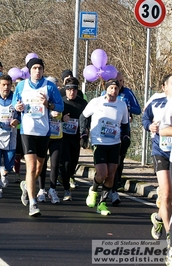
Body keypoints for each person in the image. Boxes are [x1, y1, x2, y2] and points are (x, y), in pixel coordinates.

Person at [12, 57, 64, 217]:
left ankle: (27, 186)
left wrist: (48, 104)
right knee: (32, 166)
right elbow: (15, 104)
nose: (37, 71)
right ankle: (33, 203)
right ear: (29, 70)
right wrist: (17, 107)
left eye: (40, 68)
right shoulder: (21, 86)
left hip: (44, 131)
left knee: (39, 168)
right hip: (27, 130)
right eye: (34, 68)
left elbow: (60, 105)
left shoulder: (50, 86)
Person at [80, 79, 129, 216]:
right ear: (106, 89)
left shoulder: (122, 105)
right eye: (111, 88)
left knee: (111, 175)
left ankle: (102, 203)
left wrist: (126, 137)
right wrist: (83, 134)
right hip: (99, 142)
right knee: (102, 174)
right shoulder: (96, 102)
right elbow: (83, 117)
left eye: (116, 88)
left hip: (115, 143)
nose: (113, 91)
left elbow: (125, 124)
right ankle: (93, 190)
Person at [143, 74, 171, 244]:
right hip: (161, 149)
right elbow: (145, 118)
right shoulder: (156, 100)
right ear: (164, 86)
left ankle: (160, 218)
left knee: (169, 198)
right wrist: (150, 126)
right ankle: (170, 237)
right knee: (166, 193)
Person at [109, 72, 142, 205]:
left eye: (121, 81)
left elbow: (138, 110)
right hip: (109, 133)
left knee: (119, 158)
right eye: (117, 81)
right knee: (111, 160)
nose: (119, 83)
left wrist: (127, 109)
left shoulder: (127, 93)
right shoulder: (107, 93)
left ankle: (116, 182)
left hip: (124, 131)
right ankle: (109, 183)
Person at [59, 77, 87, 201]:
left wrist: (85, 134)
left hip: (75, 137)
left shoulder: (83, 104)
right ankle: (66, 189)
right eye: (69, 90)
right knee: (65, 162)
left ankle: (67, 176)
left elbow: (88, 119)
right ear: (65, 90)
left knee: (73, 163)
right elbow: (53, 116)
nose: (71, 92)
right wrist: (61, 117)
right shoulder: (62, 102)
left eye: (74, 90)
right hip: (63, 137)